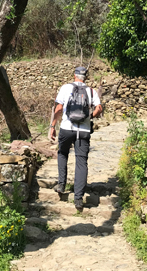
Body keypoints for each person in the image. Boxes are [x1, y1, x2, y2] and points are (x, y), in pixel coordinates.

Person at [48, 66, 102, 212]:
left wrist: (53, 125)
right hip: (83, 131)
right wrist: (89, 117)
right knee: (81, 162)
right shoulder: (91, 91)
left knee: (62, 153)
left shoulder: (66, 88)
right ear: (86, 77)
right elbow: (99, 108)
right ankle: (78, 199)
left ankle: (61, 185)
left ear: (75, 75)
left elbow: (59, 108)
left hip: (66, 128)